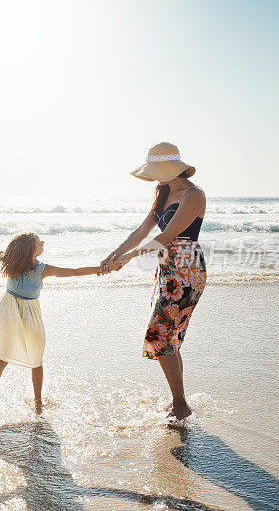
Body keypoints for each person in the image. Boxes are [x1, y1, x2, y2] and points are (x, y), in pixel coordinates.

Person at [0, 216, 107, 423]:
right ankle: (38, 403)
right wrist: (102, 269)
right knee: (36, 360)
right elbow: (75, 272)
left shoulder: (9, 260)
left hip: (7, 310)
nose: (43, 244)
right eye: (39, 243)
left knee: (2, 357)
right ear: (32, 250)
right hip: (29, 314)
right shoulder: (42, 269)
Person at [100, 142, 207, 420]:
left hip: (186, 268)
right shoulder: (162, 193)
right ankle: (180, 402)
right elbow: (141, 231)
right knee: (167, 335)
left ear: (169, 168)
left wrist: (127, 258)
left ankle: (180, 405)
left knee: (158, 334)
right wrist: (114, 253)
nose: (154, 176)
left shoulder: (194, 195)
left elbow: (166, 237)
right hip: (166, 269)